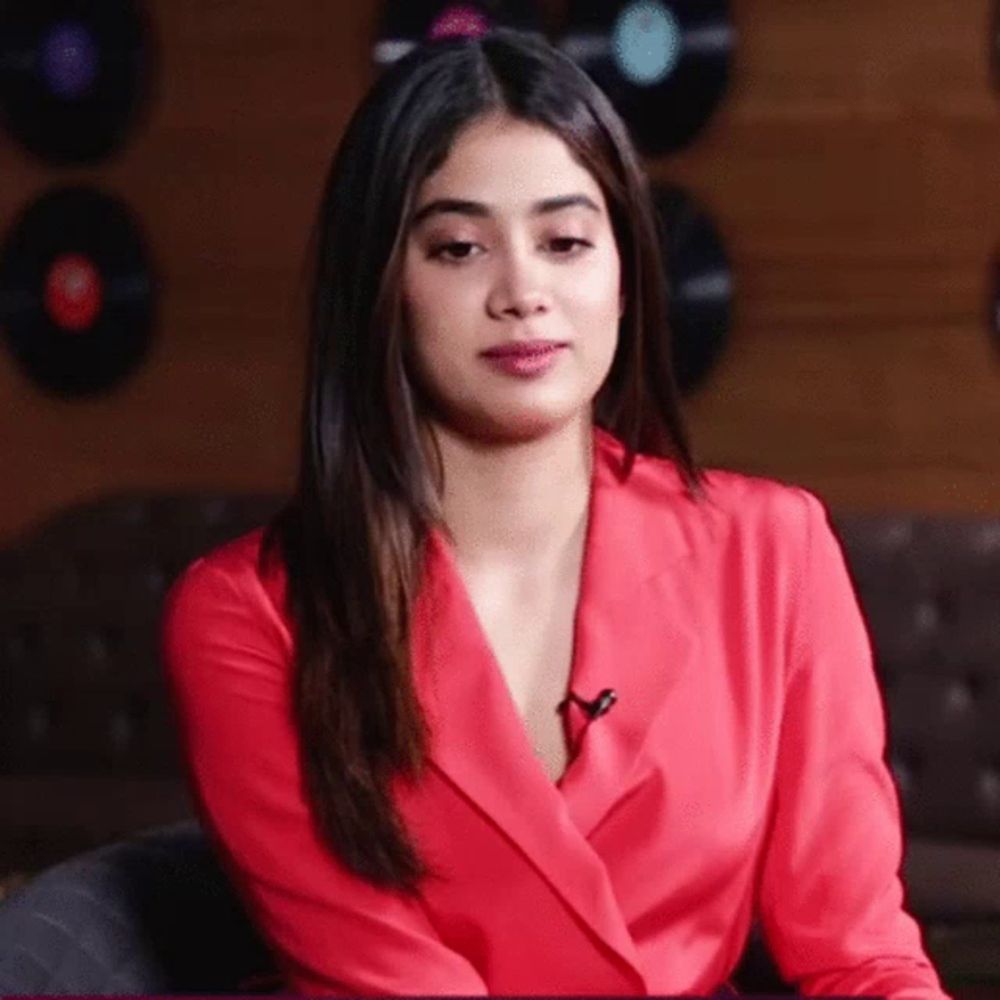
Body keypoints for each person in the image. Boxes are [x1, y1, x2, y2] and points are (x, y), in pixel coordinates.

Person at [160, 26, 951, 998]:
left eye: (566, 240)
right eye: (458, 247)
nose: (523, 291)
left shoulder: (772, 549)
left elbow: (857, 954)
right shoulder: (247, 613)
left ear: (623, 274)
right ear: (379, 289)